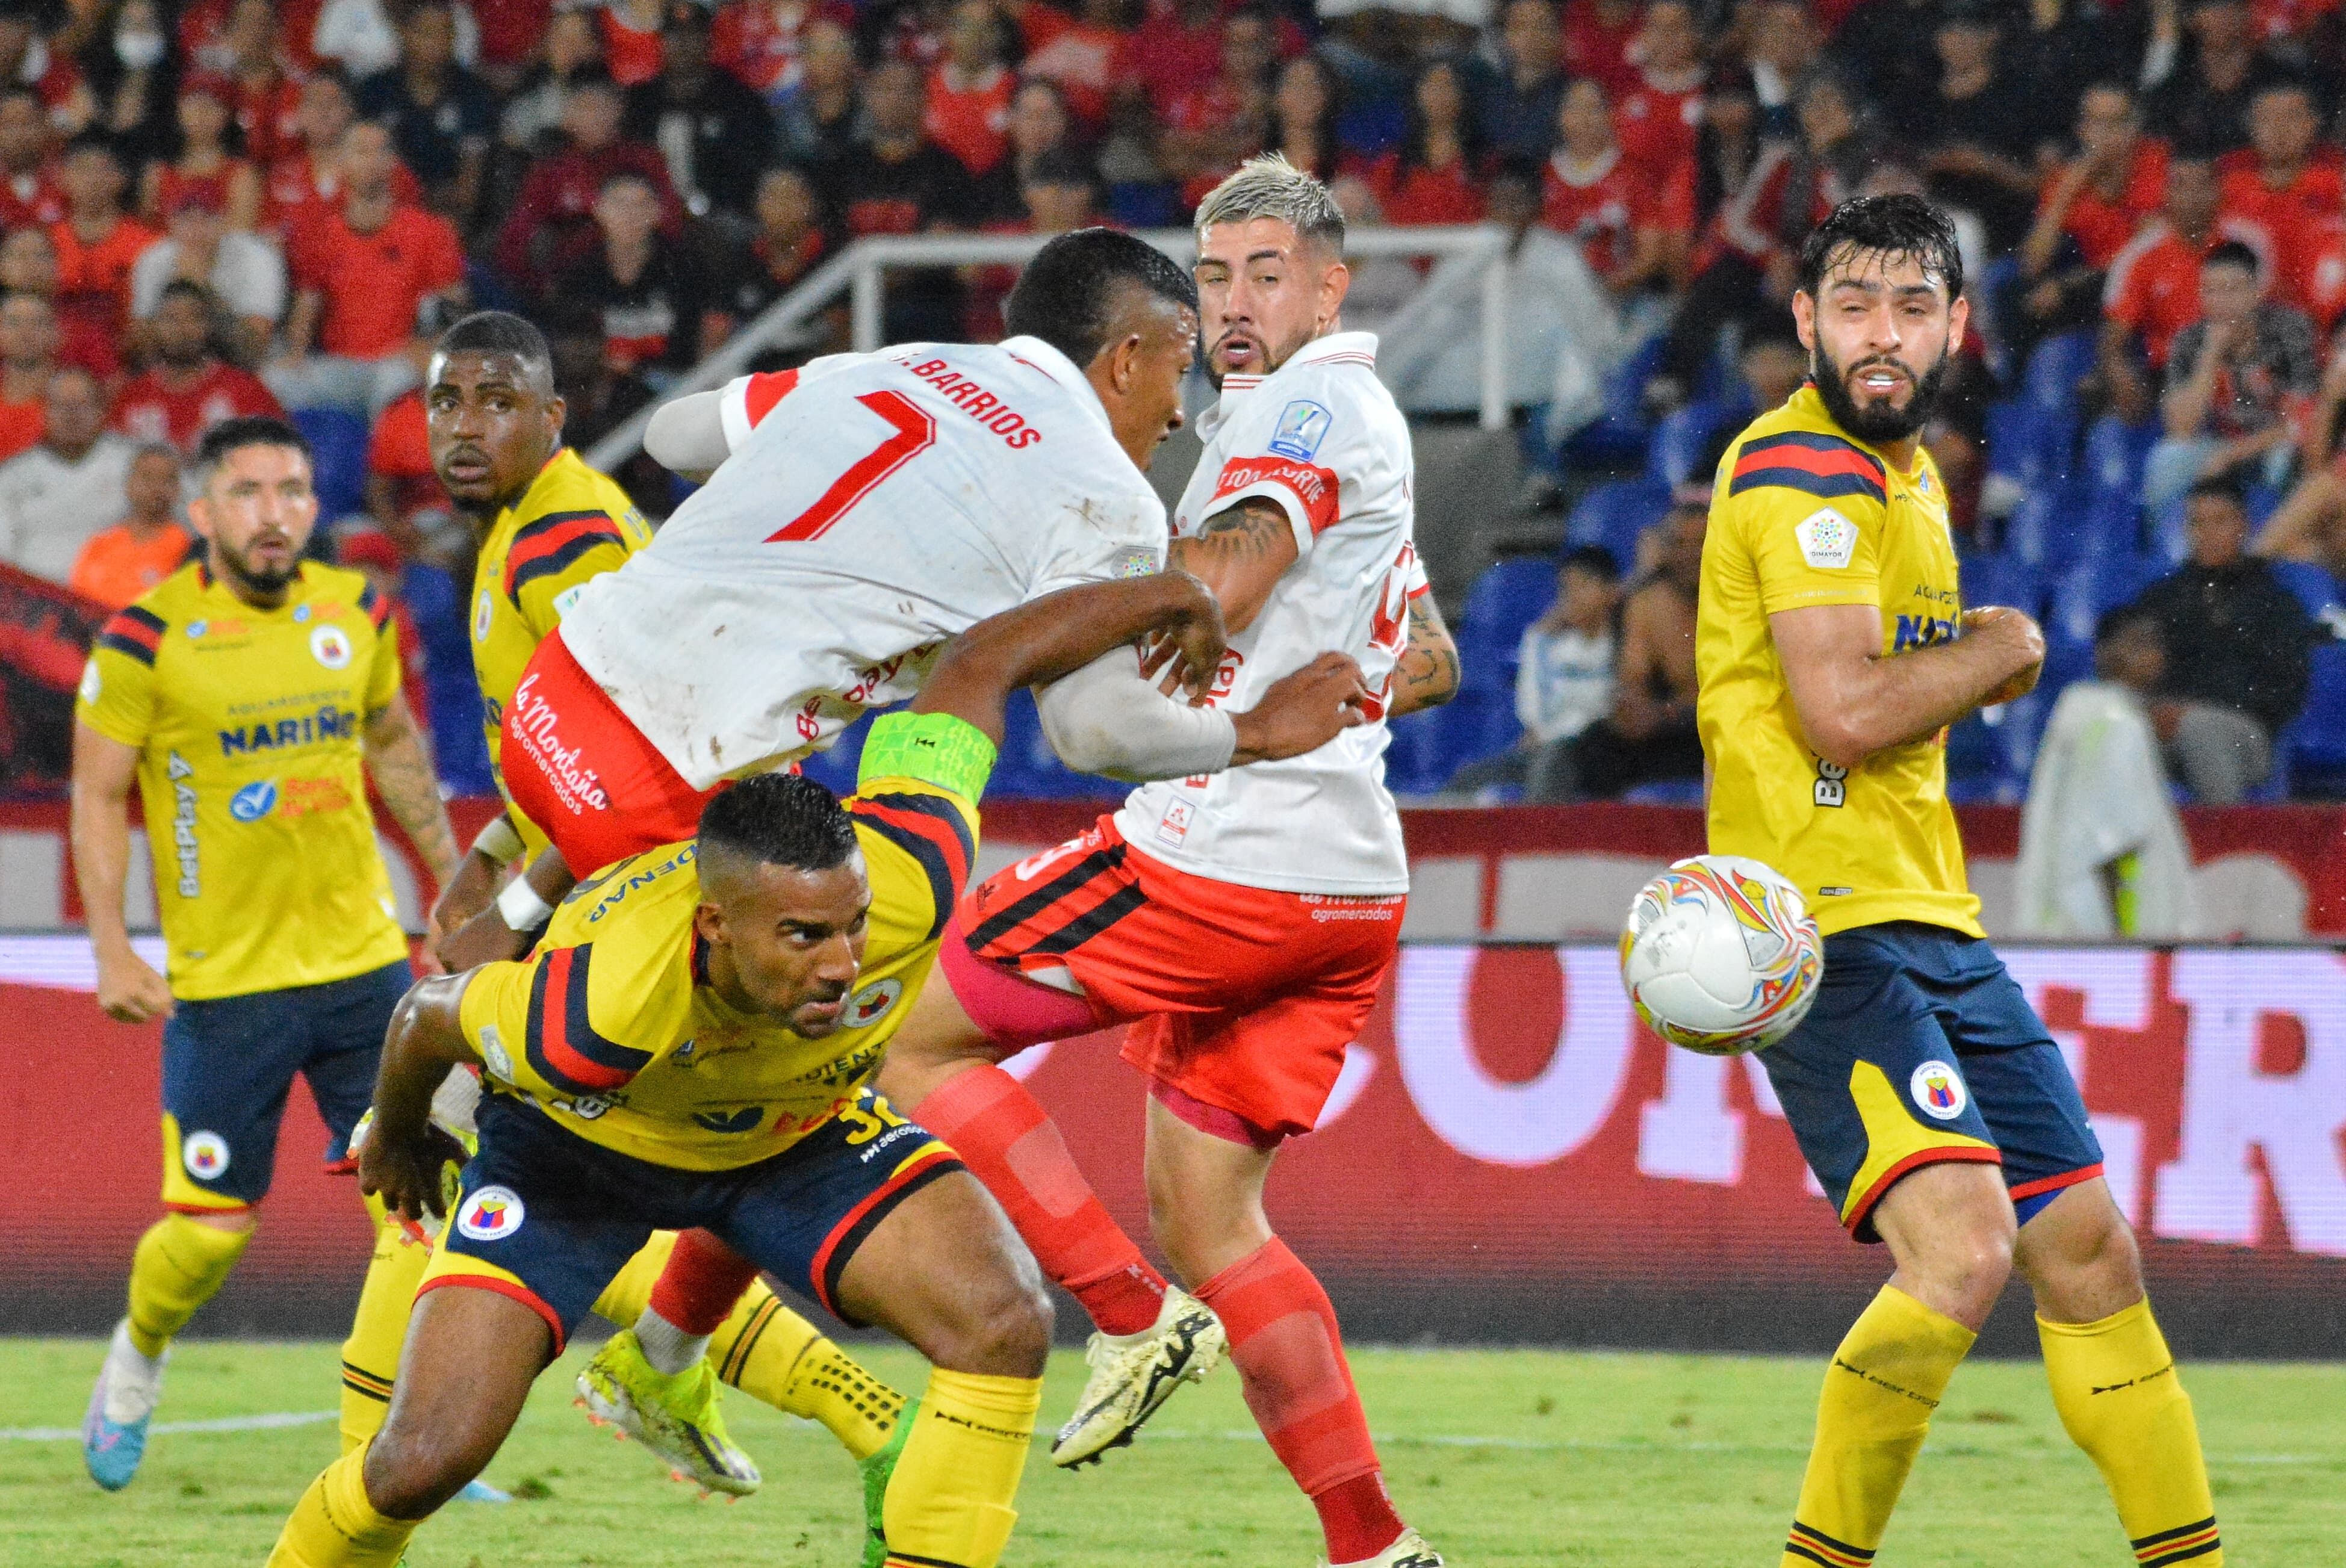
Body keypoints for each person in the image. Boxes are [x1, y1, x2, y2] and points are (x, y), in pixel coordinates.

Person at [264, 563, 1371, 1568]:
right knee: (420, 1462)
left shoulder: (908, 869)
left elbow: (980, 663)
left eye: (848, 925)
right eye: (803, 940)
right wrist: (404, 1132)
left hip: (794, 1138)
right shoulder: (597, 1007)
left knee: (1002, 1321)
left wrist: (1179, 607)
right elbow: (427, 1016)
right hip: (575, 1158)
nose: (847, 964)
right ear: (714, 929)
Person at [876, 155, 1459, 1568]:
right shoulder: (1337, 420)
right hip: (1345, 885)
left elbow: (1229, 574)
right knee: (1217, 1221)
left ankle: (1126, 1320)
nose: (1237, 301)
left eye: (1268, 272)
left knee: (906, 1035)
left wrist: (1042, 603)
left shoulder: (1307, 407)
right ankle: (1374, 1550)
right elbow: (1428, 661)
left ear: (1331, 285)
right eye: (1212, 275)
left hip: (1226, 859)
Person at [1697, 193, 2223, 1568]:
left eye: (1911, 307)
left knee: (2088, 1249)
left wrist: (1983, 646)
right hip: (1824, 932)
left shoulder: (1907, 474)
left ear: (1953, 328)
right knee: (1963, 1250)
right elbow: (1845, 715)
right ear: (1805, 322)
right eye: (1854, 306)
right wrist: (2006, 644)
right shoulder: (1800, 474)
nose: (1883, 334)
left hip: (1927, 918)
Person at [72, 415, 459, 1492]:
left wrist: (448, 884)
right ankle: (137, 1358)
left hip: (362, 971)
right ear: (203, 513)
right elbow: (99, 797)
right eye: (247, 493)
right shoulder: (145, 641)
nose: (276, 513)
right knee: (206, 1237)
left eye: (292, 490)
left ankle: (401, 1447)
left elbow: (391, 742)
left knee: (417, 1214)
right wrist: (112, 949)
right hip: (228, 987)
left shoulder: (356, 608)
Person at [2013, 605, 2199, 938]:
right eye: (2138, 644)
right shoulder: (2116, 722)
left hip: (2067, 918)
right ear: (2105, 653)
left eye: (2155, 645)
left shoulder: (2082, 710)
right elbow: (2110, 842)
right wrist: (2119, 943)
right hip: (2114, 929)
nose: (2152, 655)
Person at [2133, 479, 2313, 802]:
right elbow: (2139, 667)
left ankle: (2222, 839)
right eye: (2197, 523)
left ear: (2243, 526)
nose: (2207, 533)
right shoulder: (2161, 599)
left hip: (2249, 735)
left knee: (2201, 729)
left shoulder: (2275, 602)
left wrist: (2194, 710)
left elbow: (2286, 687)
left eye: (2220, 521)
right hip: (2166, 729)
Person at [273, 120, 468, 415]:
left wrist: (429, 348)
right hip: (341, 366)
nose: (372, 161)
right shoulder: (322, 234)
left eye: (381, 152)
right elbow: (307, 306)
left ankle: (386, 459)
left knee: (395, 384)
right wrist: (295, 355)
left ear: (393, 162)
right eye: (361, 152)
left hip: (402, 363)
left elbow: (453, 308)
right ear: (342, 163)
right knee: (275, 381)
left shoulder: (430, 230)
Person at [2141, 240, 2316, 511]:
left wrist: (2235, 454)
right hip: (2220, 446)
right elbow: (2181, 428)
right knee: (2168, 458)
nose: (2220, 302)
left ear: (2257, 292)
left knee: (2286, 456)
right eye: (2211, 291)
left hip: (2271, 446)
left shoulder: (2290, 330)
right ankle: (2165, 548)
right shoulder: (2189, 340)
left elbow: (2302, 420)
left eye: (2231, 290)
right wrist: (2211, 352)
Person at [1450, 543, 1619, 798]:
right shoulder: (1548, 644)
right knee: (1469, 779)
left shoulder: (1624, 643)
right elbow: (1534, 712)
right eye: (1566, 589)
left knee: (1551, 763)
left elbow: (1607, 707)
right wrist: (1537, 640)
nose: (1572, 598)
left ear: (1611, 591)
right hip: (1545, 748)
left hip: (1594, 751)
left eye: (1583, 586)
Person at [0, 368, 138, 584]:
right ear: (44, 411)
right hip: (39, 603)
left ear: (103, 410)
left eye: (82, 405)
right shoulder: (13, 475)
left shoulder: (134, 464)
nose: (71, 415)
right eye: (61, 406)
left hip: (117, 594)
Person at [114, 279, 284, 453]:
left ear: (209, 326)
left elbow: (282, 453)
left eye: (193, 317)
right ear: (153, 327)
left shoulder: (244, 390)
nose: (182, 329)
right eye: (170, 319)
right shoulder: (133, 397)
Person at [67, 442, 191, 609]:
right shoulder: (99, 544)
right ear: (129, 484)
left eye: (166, 480)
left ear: (177, 489)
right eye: (147, 477)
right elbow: (74, 604)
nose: (156, 487)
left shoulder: (188, 549)